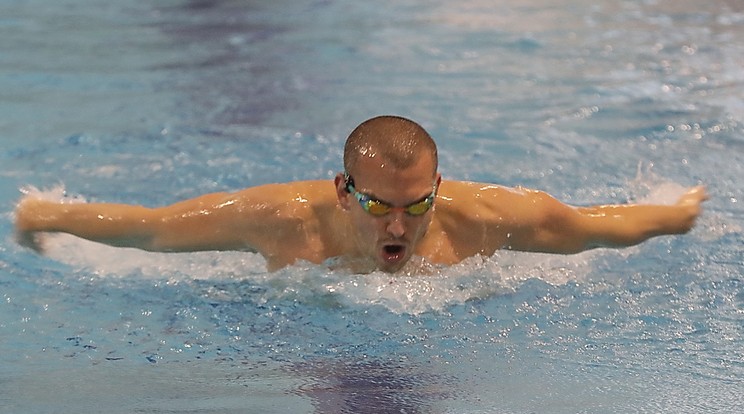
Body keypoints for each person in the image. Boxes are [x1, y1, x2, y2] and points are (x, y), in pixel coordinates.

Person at [14, 115, 708, 273]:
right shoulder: (281, 221)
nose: (396, 225)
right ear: (344, 190)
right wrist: (47, 215)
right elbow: (154, 229)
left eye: (416, 204)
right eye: (378, 203)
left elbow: (597, 227)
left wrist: (676, 216)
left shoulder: (485, 219)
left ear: (439, 188)